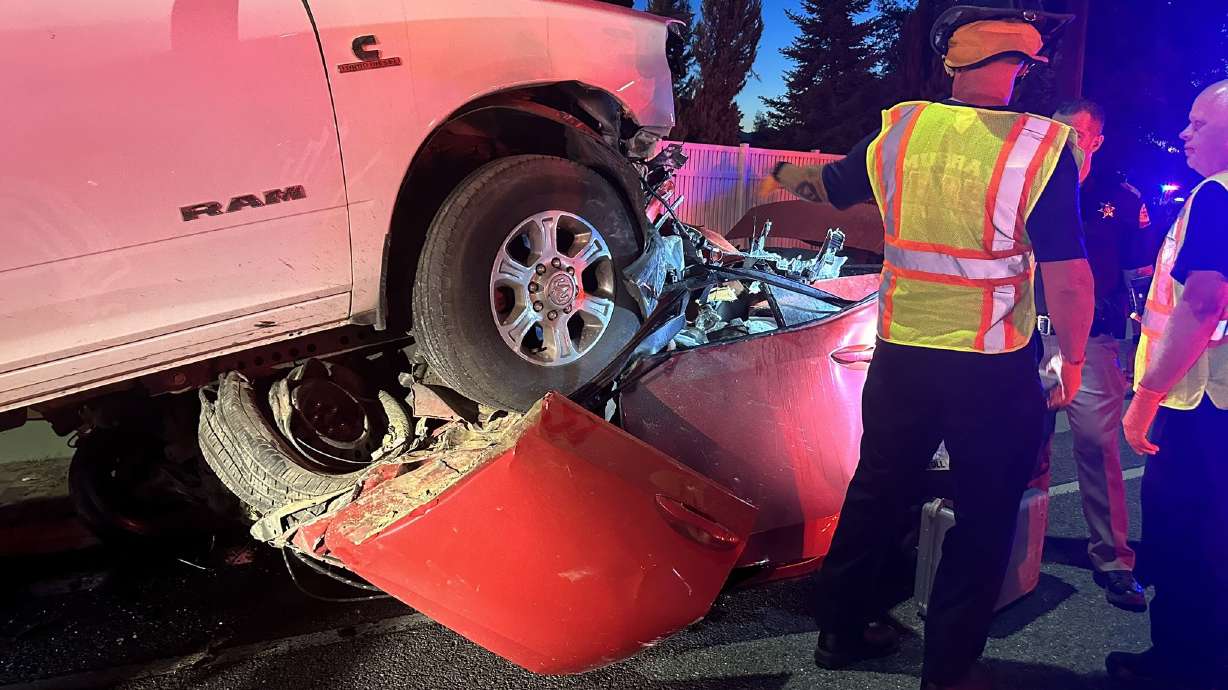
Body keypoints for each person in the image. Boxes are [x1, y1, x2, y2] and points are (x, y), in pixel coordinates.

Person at [764, 2, 1096, 688]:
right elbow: (1068, 274)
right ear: (1018, 70)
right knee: (984, 509)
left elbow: (823, 187)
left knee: (879, 488)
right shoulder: (1043, 148)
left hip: (903, 352)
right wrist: (1073, 355)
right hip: (991, 363)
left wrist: (781, 178)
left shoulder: (901, 129)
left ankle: (841, 631)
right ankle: (948, 667)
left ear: (951, 64)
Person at [1107, 79, 1228, 690]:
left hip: (1199, 403)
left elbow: (1205, 303)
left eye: (1197, 124)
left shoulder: (1217, 194)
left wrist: (1144, 398)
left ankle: (1181, 668)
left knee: (1188, 541)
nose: (1184, 133)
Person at [1035, 99, 1150, 612]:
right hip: (1023, 338)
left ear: (1095, 141)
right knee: (1017, 448)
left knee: (1097, 452)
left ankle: (1113, 560)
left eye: (1074, 135)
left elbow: (1138, 276)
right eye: (1056, 132)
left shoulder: (1120, 199)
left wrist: (1140, 345)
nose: (1062, 142)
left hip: (1093, 341)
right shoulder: (1027, 187)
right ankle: (1015, 550)